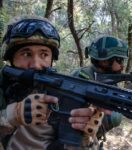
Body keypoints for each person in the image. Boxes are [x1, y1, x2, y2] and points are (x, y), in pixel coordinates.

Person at [0, 16, 109, 150]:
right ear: (11, 59)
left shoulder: (60, 93)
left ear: (52, 59)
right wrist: (11, 115)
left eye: (44, 54)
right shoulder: (3, 87)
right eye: (26, 54)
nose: (36, 64)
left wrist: (85, 138)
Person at [71, 35, 132, 148]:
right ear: (105, 61)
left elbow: (131, 114)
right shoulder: (82, 77)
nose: (123, 65)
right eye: (119, 60)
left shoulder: (109, 80)